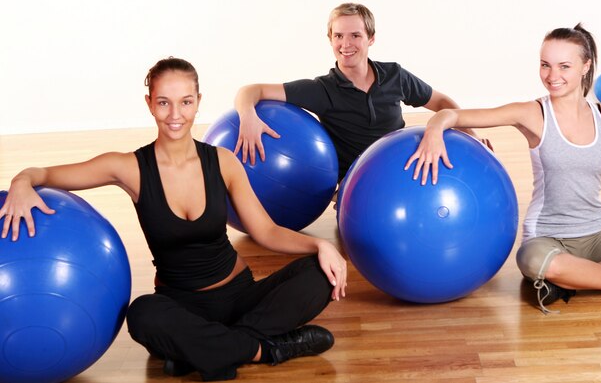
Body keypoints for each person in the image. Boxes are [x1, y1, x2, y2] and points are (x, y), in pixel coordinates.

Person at [0, 57, 347, 380]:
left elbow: (266, 231)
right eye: (164, 102)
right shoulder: (130, 168)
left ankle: (204, 351)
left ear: (198, 101)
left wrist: (320, 245)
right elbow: (45, 172)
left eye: (185, 101)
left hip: (241, 297)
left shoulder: (223, 162)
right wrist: (22, 180)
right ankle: (265, 348)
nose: (175, 113)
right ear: (150, 103)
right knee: (142, 315)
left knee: (320, 271)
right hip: (182, 308)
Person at [407, 24, 601, 314]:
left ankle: (569, 281)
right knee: (532, 260)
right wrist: (434, 130)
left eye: (564, 66)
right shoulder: (532, 113)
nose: (552, 76)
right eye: (545, 65)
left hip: (599, 234)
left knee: (557, 269)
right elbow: (451, 114)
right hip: (547, 238)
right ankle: (584, 276)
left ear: (586, 66)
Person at [234, 2, 486, 184]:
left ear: (371, 39)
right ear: (330, 39)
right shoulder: (321, 89)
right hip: (360, 181)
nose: (346, 44)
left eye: (355, 35)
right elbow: (251, 90)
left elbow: (441, 101)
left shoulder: (394, 75)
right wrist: (247, 117)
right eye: (338, 36)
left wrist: (472, 136)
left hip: (402, 167)